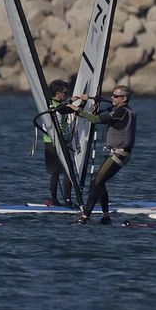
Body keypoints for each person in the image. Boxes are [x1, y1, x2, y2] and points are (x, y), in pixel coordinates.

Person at [74, 85, 135, 224]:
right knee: (99, 182)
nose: (112, 97)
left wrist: (78, 110)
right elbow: (101, 116)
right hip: (117, 154)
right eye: (112, 95)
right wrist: (90, 104)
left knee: (97, 182)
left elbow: (95, 120)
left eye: (115, 96)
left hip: (120, 155)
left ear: (124, 98)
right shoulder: (119, 111)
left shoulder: (122, 112)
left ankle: (85, 217)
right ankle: (106, 216)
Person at [40, 79, 75, 206]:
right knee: (68, 171)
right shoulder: (57, 106)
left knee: (56, 172)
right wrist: (83, 104)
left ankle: (55, 200)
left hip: (50, 142)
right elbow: (66, 110)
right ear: (59, 93)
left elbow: (64, 107)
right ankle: (67, 200)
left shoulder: (50, 103)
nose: (67, 95)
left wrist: (71, 101)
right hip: (56, 142)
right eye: (65, 93)